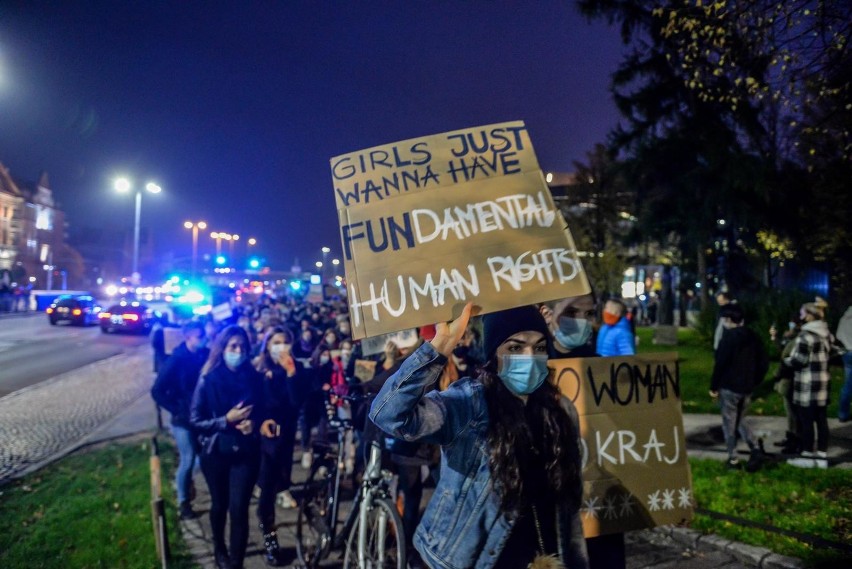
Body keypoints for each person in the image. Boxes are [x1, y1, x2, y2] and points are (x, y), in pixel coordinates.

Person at [370, 304, 589, 569]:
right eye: (515, 348)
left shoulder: (560, 411)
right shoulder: (469, 403)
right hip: (469, 561)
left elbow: (568, 511)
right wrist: (439, 347)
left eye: (539, 347)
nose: (530, 357)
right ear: (493, 354)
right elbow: (389, 415)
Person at [191, 325, 268, 569]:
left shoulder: (255, 378)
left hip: (246, 453)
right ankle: (219, 549)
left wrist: (254, 424)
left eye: (243, 347)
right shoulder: (208, 379)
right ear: (223, 348)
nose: (238, 351)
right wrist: (227, 420)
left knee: (239, 508)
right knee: (220, 504)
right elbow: (195, 420)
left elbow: (265, 409)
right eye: (233, 346)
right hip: (216, 453)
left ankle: (236, 562)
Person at [253, 326, 306, 566]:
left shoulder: (294, 369)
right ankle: (270, 538)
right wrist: (262, 421)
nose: (281, 346)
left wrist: (292, 373)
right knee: (267, 488)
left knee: (280, 481)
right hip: (264, 437)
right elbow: (254, 403)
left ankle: (271, 520)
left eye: (285, 341)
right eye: (276, 341)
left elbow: (297, 403)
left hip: (286, 436)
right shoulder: (259, 369)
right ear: (267, 345)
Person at [150, 320, 209, 519]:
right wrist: (177, 409)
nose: (203, 340)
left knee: (203, 459)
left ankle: (186, 480)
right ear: (188, 338)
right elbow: (157, 391)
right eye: (199, 337)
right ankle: (183, 503)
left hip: (202, 416)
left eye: (204, 336)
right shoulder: (176, 360)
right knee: (189, 457)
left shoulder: (205, 355)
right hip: (183, 419)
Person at [709, 304, 768, 471]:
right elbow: (763, 362)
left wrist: (714, 386)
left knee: (729, 423)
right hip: (747, 387)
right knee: (741, 418)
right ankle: (755, 447)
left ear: (728, 320)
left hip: (729, 386)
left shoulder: (728, 339)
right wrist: (755, 380)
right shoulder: (753, 337)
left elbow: (720, 364)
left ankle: (733, 458)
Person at [785, 302, 833, 468]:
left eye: (802, 312)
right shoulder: (826, 333)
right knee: (821, 420)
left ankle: (807, 454)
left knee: (806, 421)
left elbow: (799, 360)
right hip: (823, 382)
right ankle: (822, 456)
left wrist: (787, 360)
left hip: (807, 384)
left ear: (809, 315)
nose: (801, 316)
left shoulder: (806, 336)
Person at [836, 306, 852, 423]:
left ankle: (843, 413)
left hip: (846, 353)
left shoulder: (844, 318)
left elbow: (838, 335)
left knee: (847, 385)